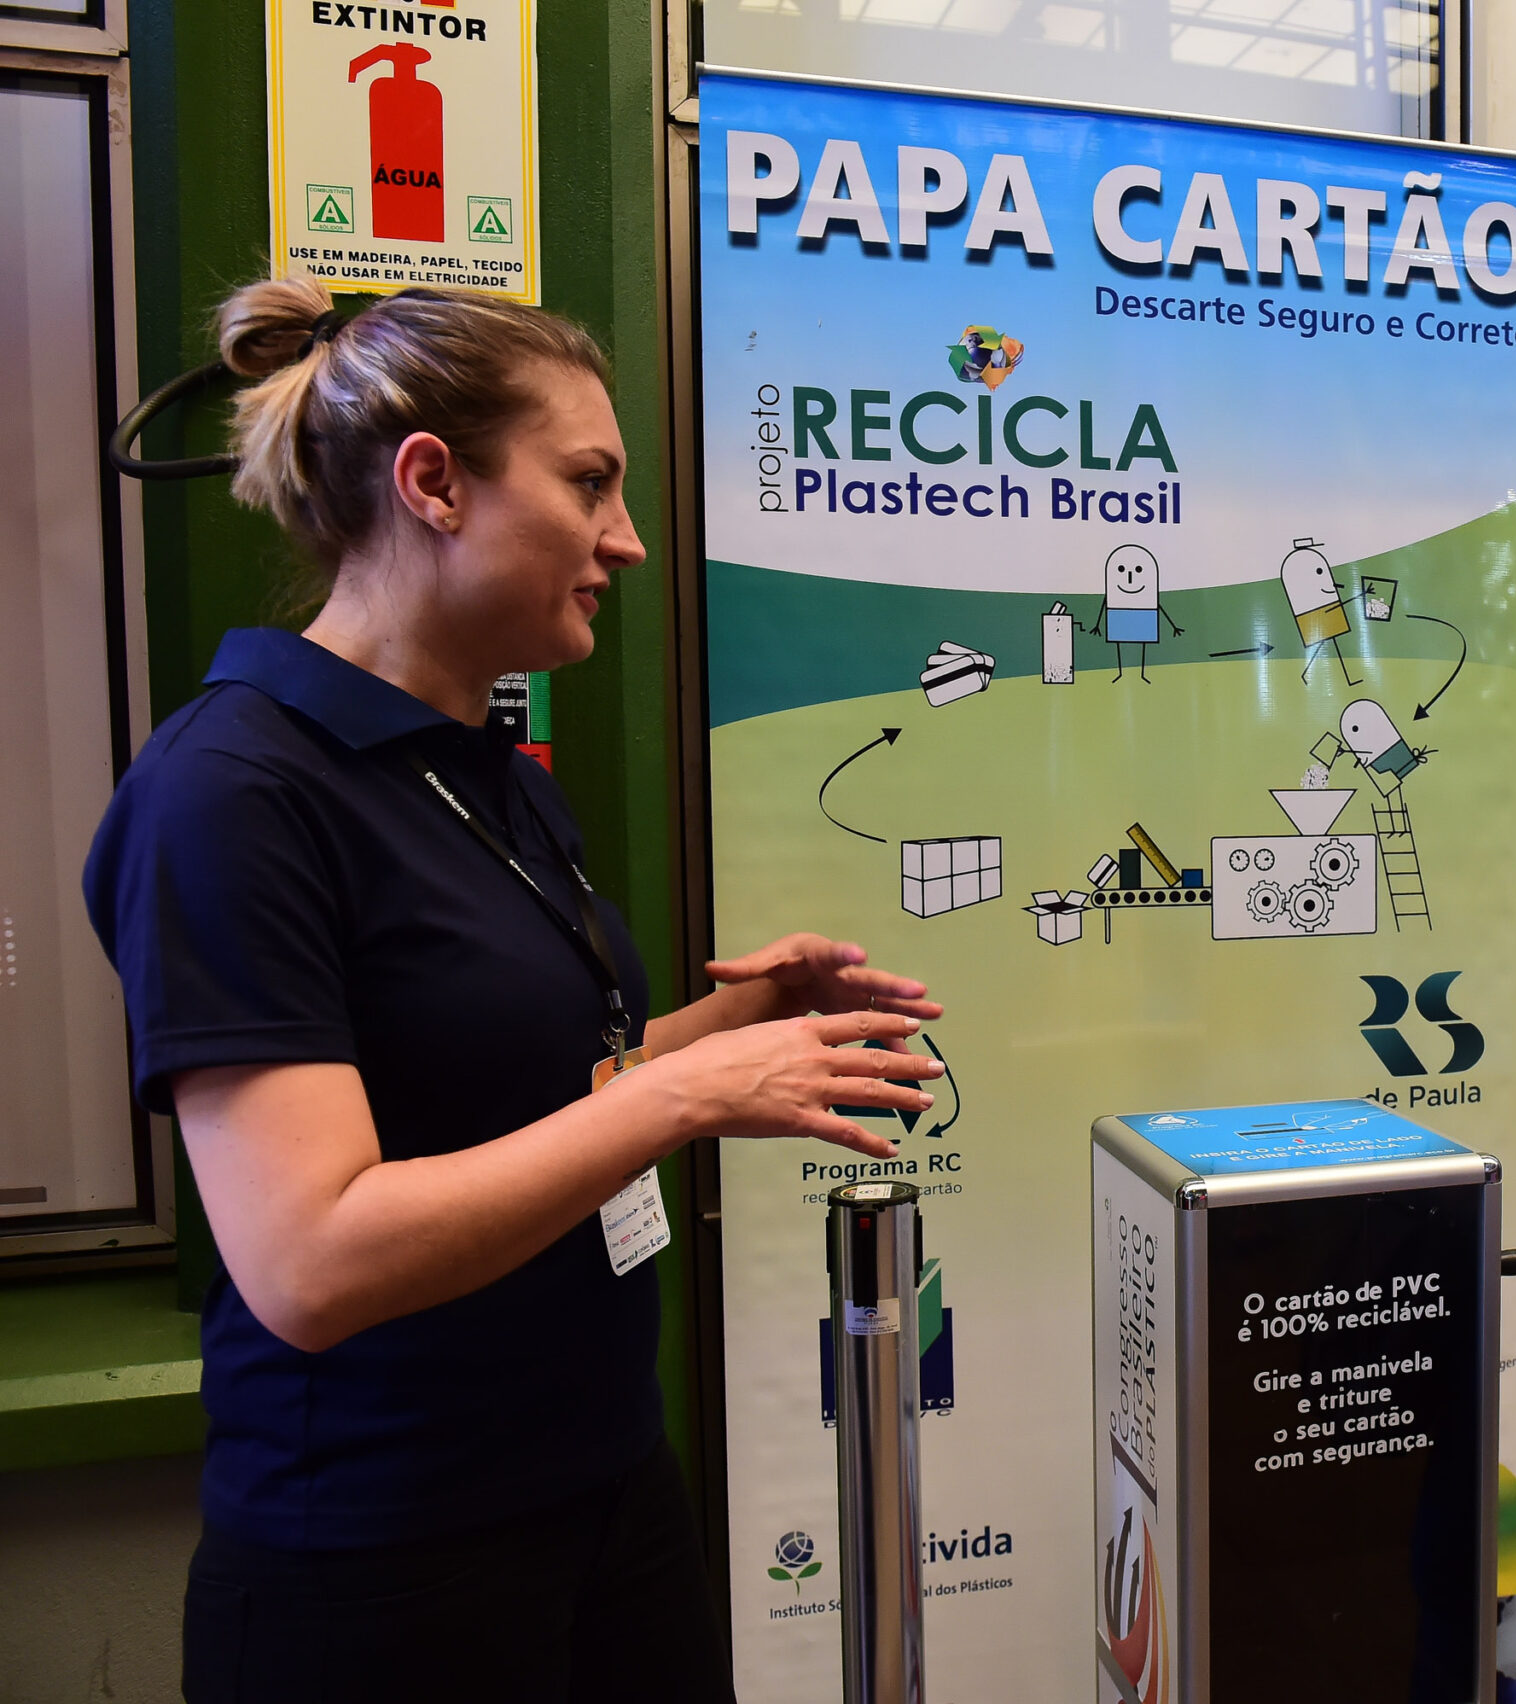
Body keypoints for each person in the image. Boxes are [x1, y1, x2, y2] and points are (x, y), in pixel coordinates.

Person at [84, 279, 947, 1702]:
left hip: (603, 1491)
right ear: (432, 483)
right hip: (387, 1562)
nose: (629, 539)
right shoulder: (231, 794)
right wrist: (682, 1095)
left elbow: (521, 1096)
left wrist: (726, 1030)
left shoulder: (479, 769)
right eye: (590, 483)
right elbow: (311, 1261)